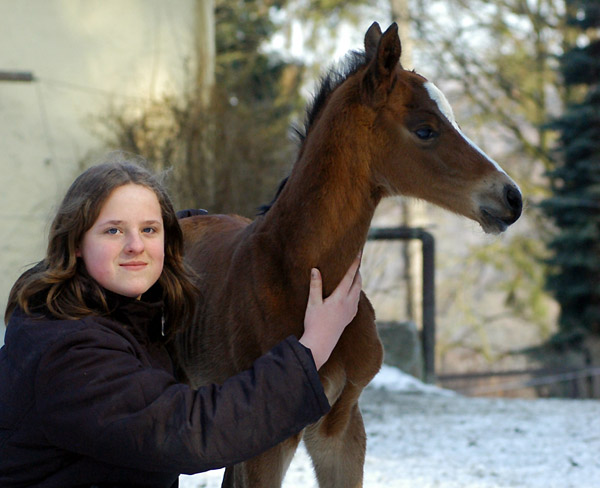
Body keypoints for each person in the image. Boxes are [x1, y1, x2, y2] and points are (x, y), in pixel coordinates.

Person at [0, 154, 363, 488]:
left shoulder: (114, 313)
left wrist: (212, 236)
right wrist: (312, 347)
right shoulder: (68, 348)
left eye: (149, 229)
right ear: (76, 242)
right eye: (113, 230)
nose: (135, 246)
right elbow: (188, 432)